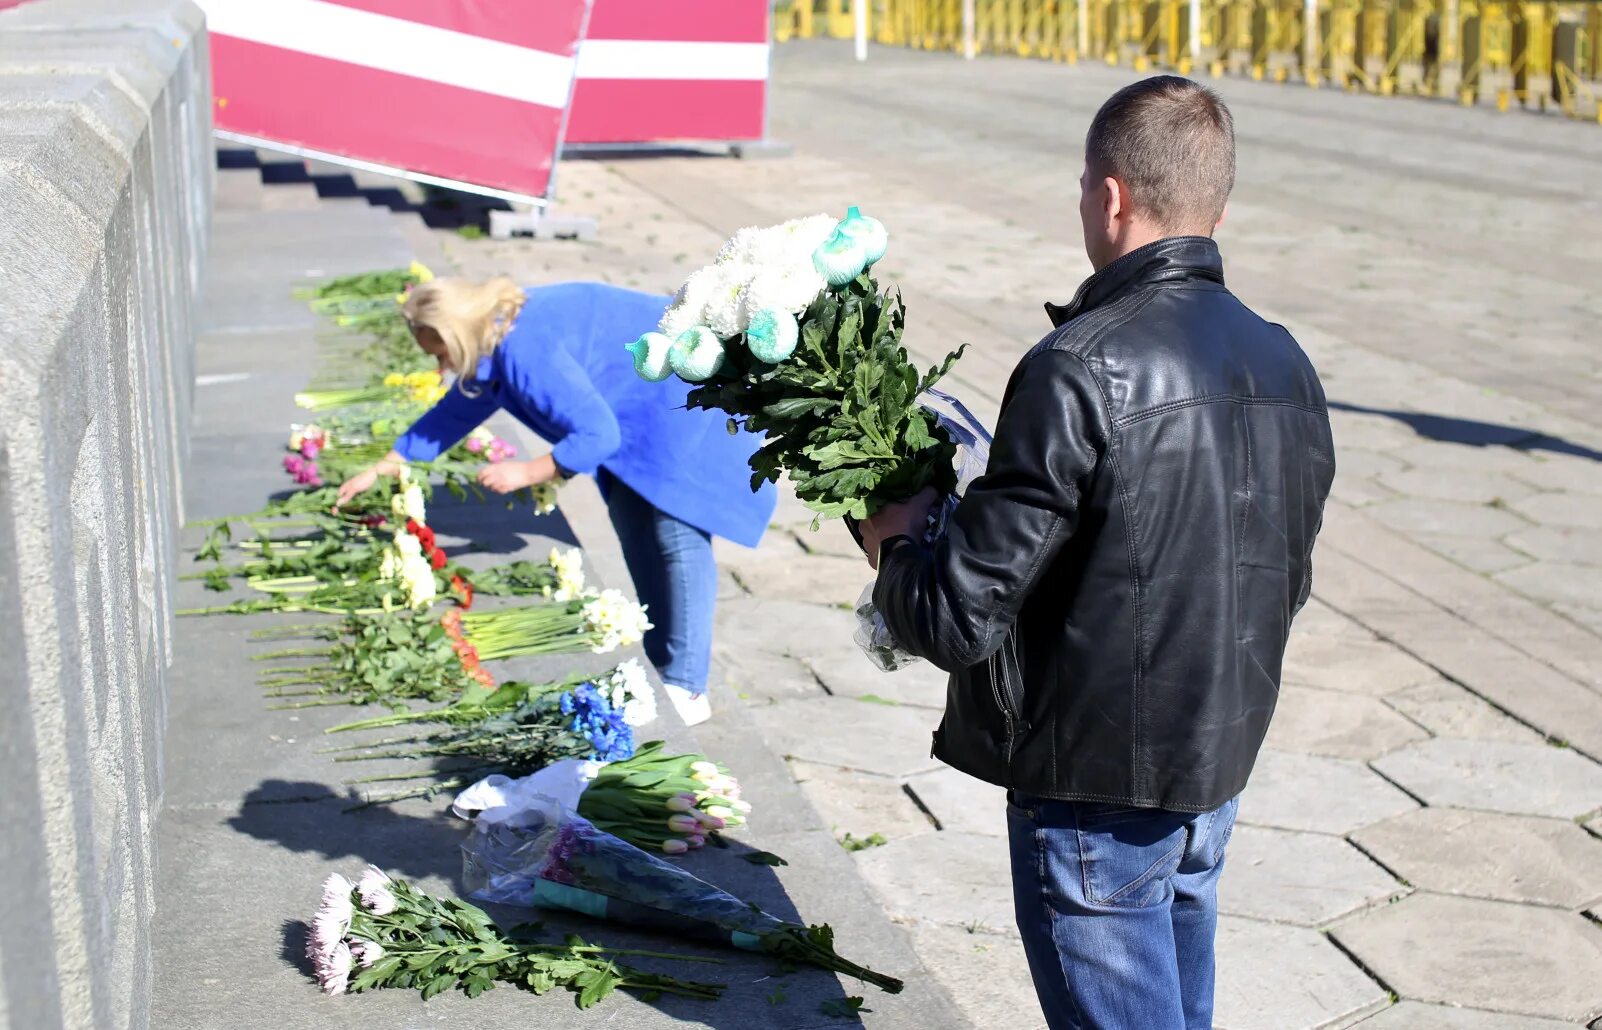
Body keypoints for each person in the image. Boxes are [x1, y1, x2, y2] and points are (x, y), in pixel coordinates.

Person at [857, 77, 1335, 1029]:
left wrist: (899, 536)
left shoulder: (1079, 362)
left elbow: (956, 616)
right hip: (1215, 759)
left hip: (1096, 785)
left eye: (1085, 186)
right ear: (1217, 205)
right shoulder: (1285, 359)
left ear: (1110, 196)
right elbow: (1288, 569)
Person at [337, 278, 776, 726]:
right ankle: (661, 659)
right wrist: (390, 463)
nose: (439, 366)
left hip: (682, 399)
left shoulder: (523, 349)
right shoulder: (494, 336)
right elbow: (456, 411)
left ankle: (687, 685)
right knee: (633, 521)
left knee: (676, 531)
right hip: (644, 409)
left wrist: (528, 471)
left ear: (456, 333)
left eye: (439, 352)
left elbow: (597, 435)